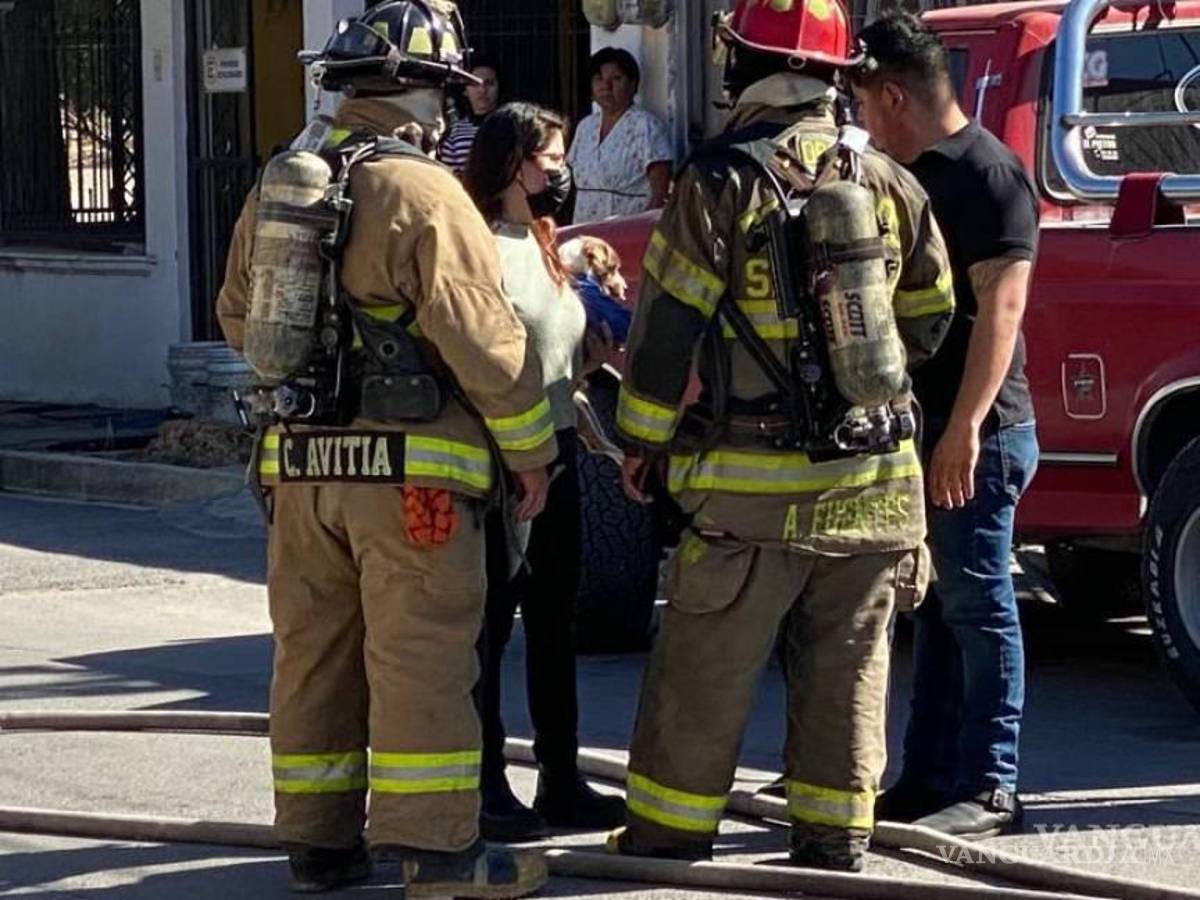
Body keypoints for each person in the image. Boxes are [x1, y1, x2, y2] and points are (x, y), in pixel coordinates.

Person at [215, 2, 554, 895]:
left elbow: (237, 316)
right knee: (421, 655)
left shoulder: (285, 181)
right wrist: (532, 454)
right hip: (414, 480)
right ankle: (441, 853)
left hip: (298, 470)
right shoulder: (422, 191)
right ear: (425, 94)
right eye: (447, 93)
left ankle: (319, 845)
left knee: (314, 653)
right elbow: (486, 343)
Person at [608, 0, 954, 873]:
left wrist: (641, 442)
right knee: (850, 673)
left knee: (706, 670)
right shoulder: (889, 182)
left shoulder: (717, 181)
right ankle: (835, 836)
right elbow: (935, 314)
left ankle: (670, 833)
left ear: (745, 66)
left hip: (749, 492)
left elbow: (665, 329)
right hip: (876, 485)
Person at [851, 12, 1040, 840]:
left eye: (865, 105)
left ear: (895, 95)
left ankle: (993, 784)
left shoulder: (990, 175)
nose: (862, 124)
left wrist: (963, 428)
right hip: (925, 431)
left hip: (982, 432)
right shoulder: (911, 173)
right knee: (931, 606)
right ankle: (926, 779)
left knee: (979, 603)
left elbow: (1001, 312)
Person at [462, 103, 624, 841]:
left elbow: (557, 356)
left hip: (556, 456)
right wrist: (520, 458)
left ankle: (562, 781)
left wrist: (598, 331)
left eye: (561, 157)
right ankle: (486, 785)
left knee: (556, 625)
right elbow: (488, 360)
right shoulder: (476, 248)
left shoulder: (544, 239)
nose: (561, 170)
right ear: (510, 164)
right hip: (499, 467)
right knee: (491, 628)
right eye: (549, 158)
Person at [567, 47, 674, 224]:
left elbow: (660, 196)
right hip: (584, 231)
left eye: (616, 79)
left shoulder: (646, 126)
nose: (606, 86)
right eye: (598, 79)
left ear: (633, 84)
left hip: (627, 232)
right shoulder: (585, 127)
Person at [438, 55, 501, 173]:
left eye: (489, 83)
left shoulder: (513, 127)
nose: (482, 90)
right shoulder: (454, 133)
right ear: (465, 90)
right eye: (474, 83)